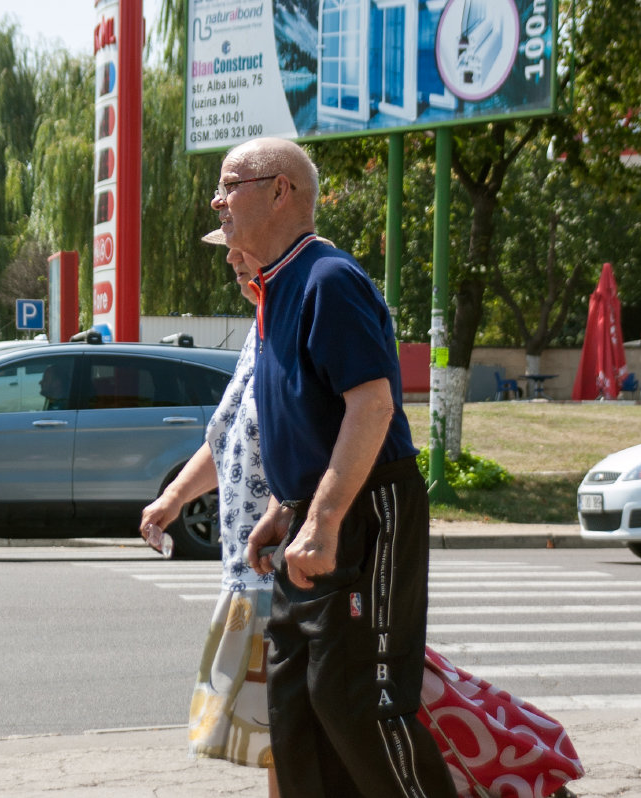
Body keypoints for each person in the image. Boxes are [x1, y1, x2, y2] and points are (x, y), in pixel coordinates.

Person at [214, 137, 458, 798]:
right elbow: (307, 419)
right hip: (308, 518)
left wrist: (322, 519)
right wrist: (282, 512)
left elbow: (372, 405)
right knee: (297, 713)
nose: (218, 200)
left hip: (364, 512)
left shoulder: (328, 278)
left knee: (358, 703)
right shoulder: (275, 289)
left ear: (280, 190)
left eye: (231, 183)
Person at [139, 232, 280, 798]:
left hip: (279, 566)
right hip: (254, 569)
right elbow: (228, 440)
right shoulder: (262, 328)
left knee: (292, 726)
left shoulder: (296, 316)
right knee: (279, 728)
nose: (229, 258)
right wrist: (173, 498)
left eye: (237, 244)